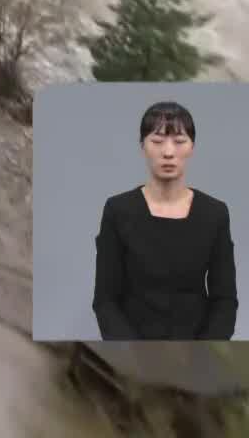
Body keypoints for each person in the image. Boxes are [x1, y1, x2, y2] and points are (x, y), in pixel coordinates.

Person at [92, 101, 237, 340]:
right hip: (130, 352)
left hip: (194, 354)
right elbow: (106, 300)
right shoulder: (118, 210)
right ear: (142, 146)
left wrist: (201, 354)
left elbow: (225, 300)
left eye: (179, 142)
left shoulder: (215, 214)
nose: (168, 152)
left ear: (192, 147)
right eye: (157, 141)